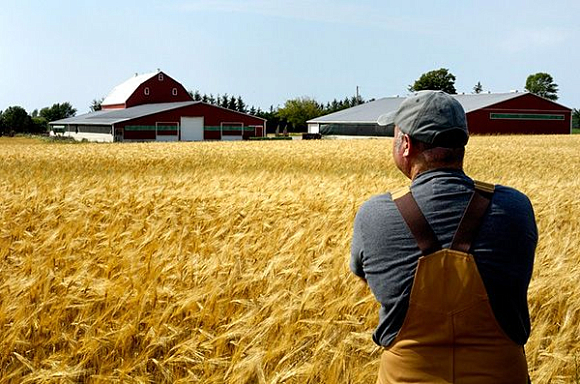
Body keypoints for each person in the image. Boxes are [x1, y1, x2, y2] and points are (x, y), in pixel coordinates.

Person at [350, 90, 537, 383]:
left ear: (406, 145)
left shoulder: (374, 215)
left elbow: (365, 277)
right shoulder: (516, 208)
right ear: (462, 142)